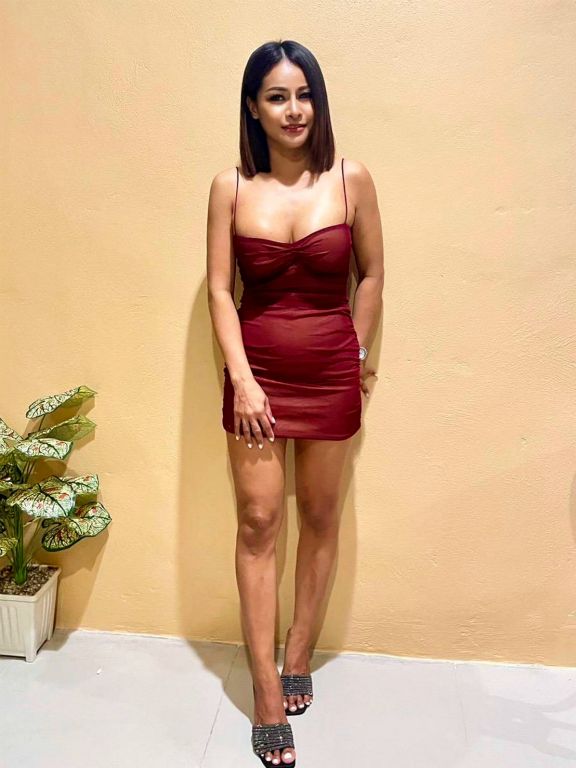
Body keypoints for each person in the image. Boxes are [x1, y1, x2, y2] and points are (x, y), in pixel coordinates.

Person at [206, 39, 384, 767]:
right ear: (253, 107)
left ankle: (299, 649)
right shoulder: (229, 187)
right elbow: (221, 290)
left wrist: (357, 355)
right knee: (258, 521)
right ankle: (265, 689)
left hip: (331, 374)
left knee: (319, 515)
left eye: (304, 93)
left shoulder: (350, 178)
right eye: (277, 96)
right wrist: (242, 378)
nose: (293, 109)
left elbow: (372, 276)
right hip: (257, 377)